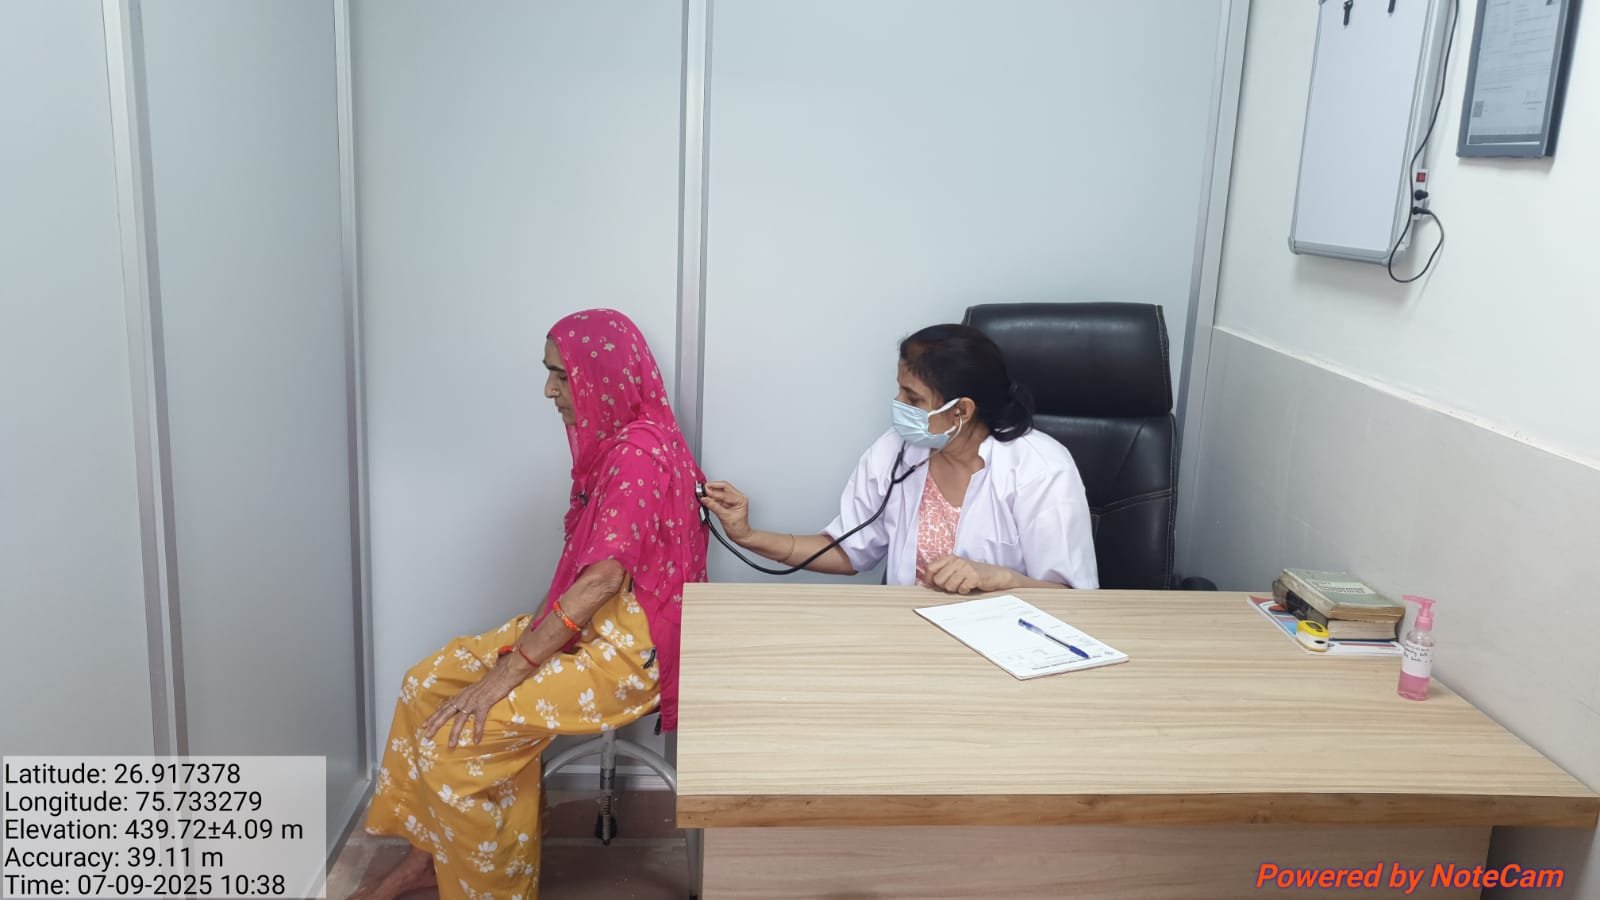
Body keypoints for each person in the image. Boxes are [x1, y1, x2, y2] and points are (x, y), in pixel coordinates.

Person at [353, 309, 707, 900]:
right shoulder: (618, 446)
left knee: (457, 748)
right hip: (586, 626)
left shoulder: (639, 454)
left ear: (601, 377)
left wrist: (510, 671)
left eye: (562, 376)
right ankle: (430, 857)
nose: (550, 390)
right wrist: (523, 650)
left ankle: (493, 889)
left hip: (627, 655)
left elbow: (602, 580)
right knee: (426, 684)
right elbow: (587, 583)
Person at [701, 323, 1097, 592]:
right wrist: (747, 536)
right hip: (907, 639)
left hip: (1009, 646)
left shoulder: (1041, 468)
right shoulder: (896, 450)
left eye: (913, 398)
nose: (898, 405)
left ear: (961, 410)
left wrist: (1001, 579)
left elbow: (1072, 600)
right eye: (899, 390)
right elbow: (846, 552)